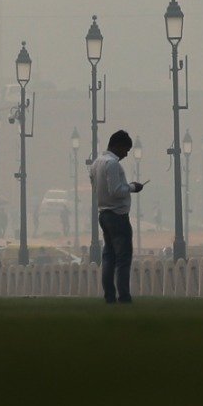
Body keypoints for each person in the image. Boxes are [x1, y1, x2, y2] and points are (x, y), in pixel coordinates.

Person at [91, 129, 146, 304]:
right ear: (118, 146)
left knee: (108, 256)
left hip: (103, 213)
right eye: (125, 150)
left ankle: (109, 295)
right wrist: (132, 187)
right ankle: (124, 296)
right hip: (117, 215)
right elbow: (116, 191)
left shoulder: (96, 163)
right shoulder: (112, 164)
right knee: (123, 258)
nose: (126, 155)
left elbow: (96, 187)